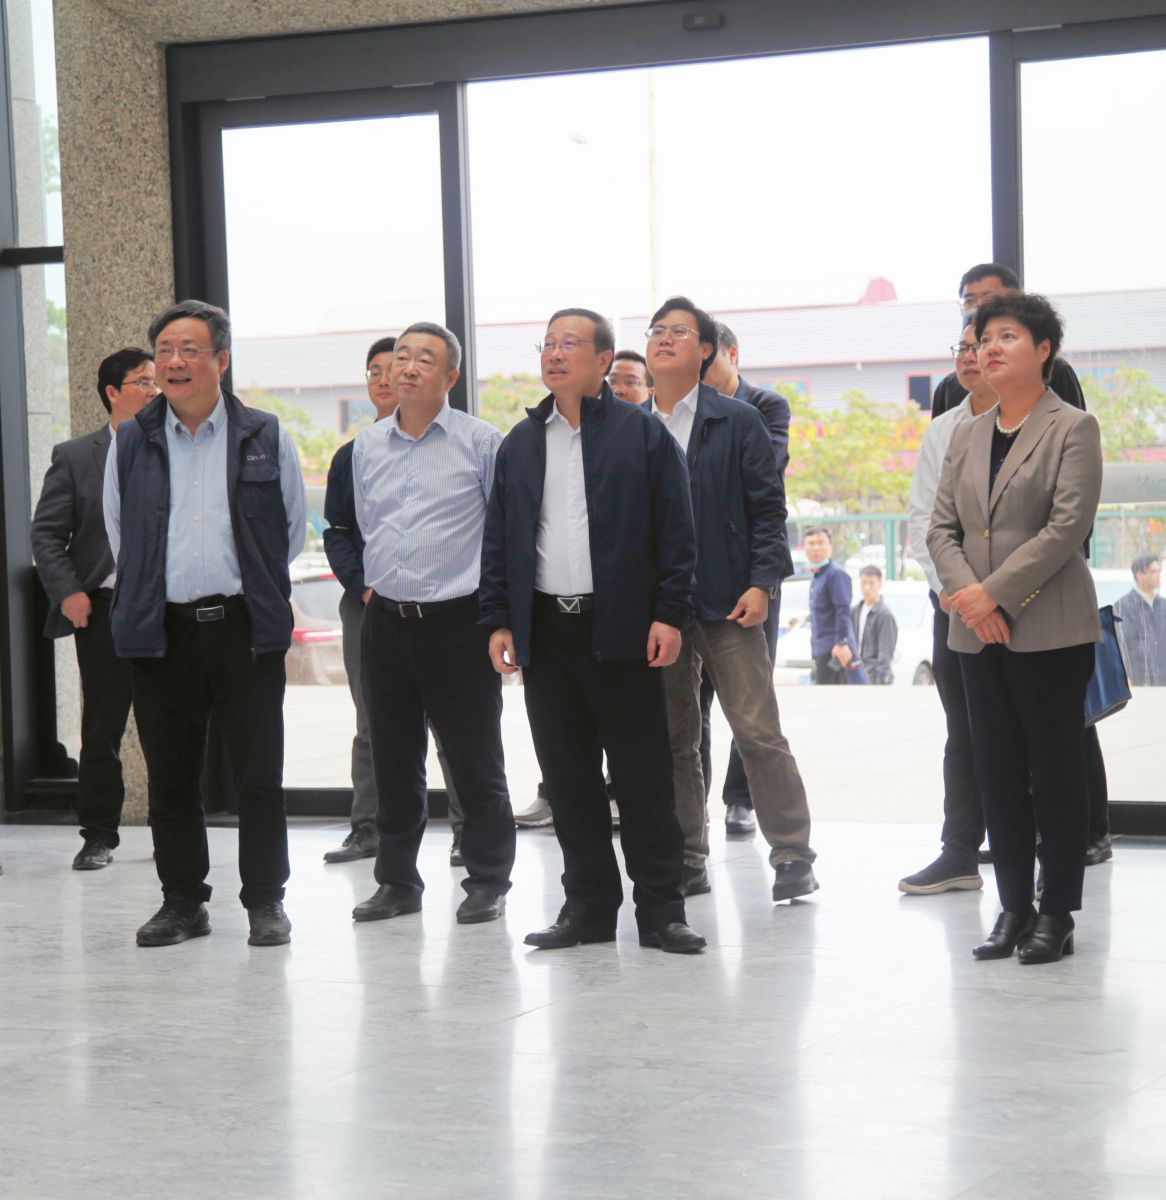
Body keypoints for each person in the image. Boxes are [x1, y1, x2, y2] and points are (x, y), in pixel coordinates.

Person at [480, 306, 705, 954]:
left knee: (643, 779)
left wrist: (670, 613)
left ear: (604, 360)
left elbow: (677, 533)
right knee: (569, 780)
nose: (554, 354)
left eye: (570, 344)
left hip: (624, 629)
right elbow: (500, 540)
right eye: (548, 344)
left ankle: (661, 911)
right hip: (548, 632)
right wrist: (498, 619)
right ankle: (587, 908)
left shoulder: (643, 434)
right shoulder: (522, 442)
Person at [104, 300, 307, 948]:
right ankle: (183, 901)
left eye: (189, 349)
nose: (174, 361)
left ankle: (266, 901)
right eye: (164, 350)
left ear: (221, 360)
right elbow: (122, 535)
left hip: (244, 627)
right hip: (163, 629)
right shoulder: (132, 440)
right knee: (171, 775)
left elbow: (290, 532)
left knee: (258, 776)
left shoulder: (264, 434)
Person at [928, 292, 1102, 965]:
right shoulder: (965, 432)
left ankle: (1056, 912)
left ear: (1043, 350)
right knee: (995, 770)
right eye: (982, 339)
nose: (988, 348)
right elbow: (941, 528)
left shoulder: (1073, 427)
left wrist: (990, 594)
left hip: (1050, 626)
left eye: (1006, 336)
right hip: (976, 630)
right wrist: (970, 599)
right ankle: (1013, 909)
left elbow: (1066, 528)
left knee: (1054, 772)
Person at [647, 296, 816, 904]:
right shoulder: (633, 426)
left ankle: (792, 853)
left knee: (757, 731)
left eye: (679, 331)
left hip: (728, 599)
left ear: (705, 351)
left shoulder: (739, 419)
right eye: (656, 330)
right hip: (660, 609)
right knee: (674, 739)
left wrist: (762, 582)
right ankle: (688, 856)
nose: (664, 339)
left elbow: (769, 510)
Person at [351, 322, 515, 927]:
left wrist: (500, 619)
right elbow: (367, 522)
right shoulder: (367, 445)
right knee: (394, 761)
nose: (408, 367)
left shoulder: (481, 442)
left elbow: (503, 535)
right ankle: (397, 882)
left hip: (459, 622)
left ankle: (488, 879)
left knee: (475, 762)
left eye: (425, 359)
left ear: (450, 376)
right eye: (401, 357)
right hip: (387, 623)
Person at [321, 336, 467, 867]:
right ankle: (369, 830)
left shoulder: (468, 443)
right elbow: (337, 529)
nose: (388, 377)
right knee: (373, 724)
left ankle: (466, 831)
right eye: (377, 370)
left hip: (446, 608)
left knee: (454, 728)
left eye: (401, 365)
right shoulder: (355, 452)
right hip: (372, 607)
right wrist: (363, 584)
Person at [31, 348, 160, 870]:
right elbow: (46, 534)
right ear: (113, 392)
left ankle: (175, 828)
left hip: (164, 604)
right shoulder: (76, 456)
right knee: (102, 727)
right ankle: (99, 835)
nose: (154, 390)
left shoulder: (173, 445)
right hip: (104, 606)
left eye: (156, 382)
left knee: (169, 723)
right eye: (143, 381)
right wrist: (68, 591)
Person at [899, 318, 996, 895]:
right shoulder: (943, 428)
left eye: (980, 345)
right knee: (963, 730)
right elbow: (924, 519)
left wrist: (996, 595)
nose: (968, 355)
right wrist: (953, 592)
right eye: (961, 346)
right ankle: (959, 852)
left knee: (1028, 732)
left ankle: (1038, 855)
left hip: (1021, 604)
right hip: (954, 605)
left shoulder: (1045, 422)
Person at [700, 321, 794, 833]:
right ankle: (694, 806)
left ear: (731, 354)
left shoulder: (765, 405)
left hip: (753, 569)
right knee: (692, 701)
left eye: (709, 359)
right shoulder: (675, 411)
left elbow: (767, 469)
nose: (700, 370)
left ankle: (742, 798)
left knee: (751, 695)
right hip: (695, 570)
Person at [931, 264, 1085, 418]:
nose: (978, 307)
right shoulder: (949, 387)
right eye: (969, 301)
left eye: (989, 298)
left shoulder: (1054, 371)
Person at [805, 527, 856, 684]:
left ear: (830, 547)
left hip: (834, 651)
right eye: (811, 543)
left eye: (821, 543)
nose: (815, 548)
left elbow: (843, 610)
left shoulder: (836, 574)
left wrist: (841, 642)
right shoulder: (817, 576)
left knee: (832, 696)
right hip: (821, 650)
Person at [1114, 554, 1166, 686]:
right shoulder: (1123, 607)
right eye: (1153, 572)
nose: (1158, 575)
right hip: (1138, 680)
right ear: (1139, 575)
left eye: (1159, 571)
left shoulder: (1163, 605)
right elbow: (1119, 644)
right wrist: (1124, 674)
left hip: (1163, 679)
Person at [852, 565, 897, 684]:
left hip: (873, 677)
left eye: (871, 583)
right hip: (855, 674)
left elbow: (885, 654)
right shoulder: (855, 611)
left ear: (879, 584)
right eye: (863, 583)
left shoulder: (885, 615)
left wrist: (881, 682)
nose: (867, 587)